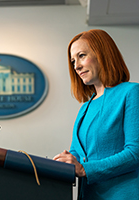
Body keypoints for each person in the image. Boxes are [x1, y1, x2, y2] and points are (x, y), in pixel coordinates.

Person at [53, 29, 139, 200]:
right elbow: (77, 154)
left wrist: (85, 169)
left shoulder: (131, 92)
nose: (76, 66)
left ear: (102, 54)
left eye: (82, 56)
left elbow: (135, 152)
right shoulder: (85, 107)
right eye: (73, 61)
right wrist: (62, 163)